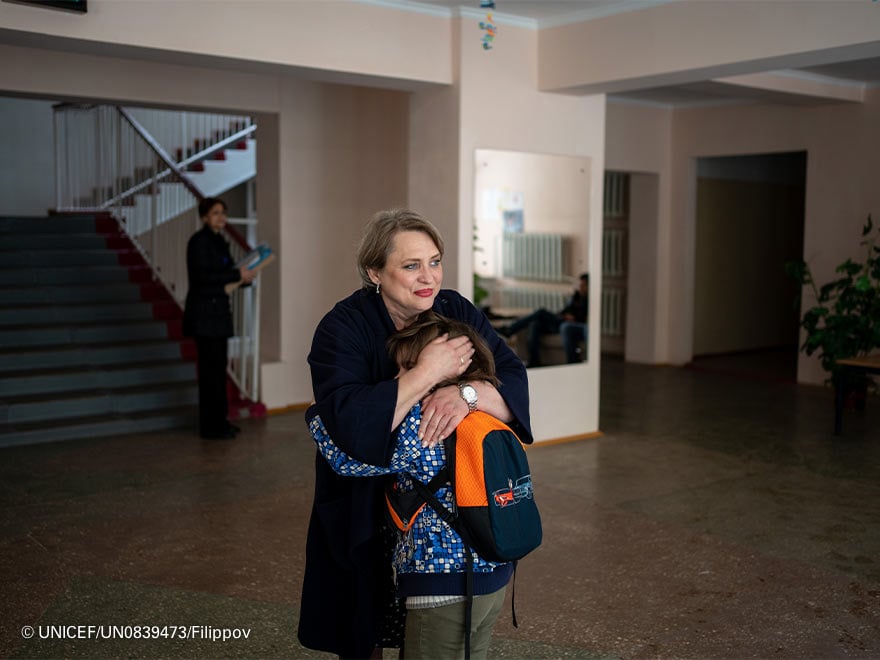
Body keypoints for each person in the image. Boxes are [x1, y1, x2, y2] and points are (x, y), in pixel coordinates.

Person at [298, 208, 531, 659]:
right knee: (362, 620)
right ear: (374, 272)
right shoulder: (342, 327)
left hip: (440, 515)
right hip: (362, 503)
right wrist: (427, 373)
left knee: (429, 627)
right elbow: (348, 431)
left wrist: (465, 393)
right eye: (411, 265)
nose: (429, 277)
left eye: (435, 261)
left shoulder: (454, 308)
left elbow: (511, 382)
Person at [308, 310, 515, 659]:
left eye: (407, 369)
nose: (398, 379)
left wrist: (317, 416)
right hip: (493, 579)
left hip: (443, 586)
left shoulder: (426, 421)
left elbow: (349, 461)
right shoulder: (483, 413)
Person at [182, 197, 255, 440]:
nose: (221, 217)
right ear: (204, 217)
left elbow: (225, 277)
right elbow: (203, 278)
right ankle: (210, 426)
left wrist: (244, 279)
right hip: (204, 317)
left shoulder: (220, 241)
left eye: (223, 212)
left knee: (219, 371)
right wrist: (236, 274)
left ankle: (221, 421)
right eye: (215, 213)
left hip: (219, 315)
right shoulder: (198, 242)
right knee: (209, 374)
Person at [497, 272, 589, 366]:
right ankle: (534, 361)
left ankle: (509, 330)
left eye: (584, 285)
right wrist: (563, 315)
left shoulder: (589, 300)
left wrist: (573, 318)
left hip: (568, 324)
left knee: (541, 312)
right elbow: (565, 311)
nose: (580, 287)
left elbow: (584, 319)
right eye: (580, 285)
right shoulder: (576, 297)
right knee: (535, 323)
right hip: (560, 320)